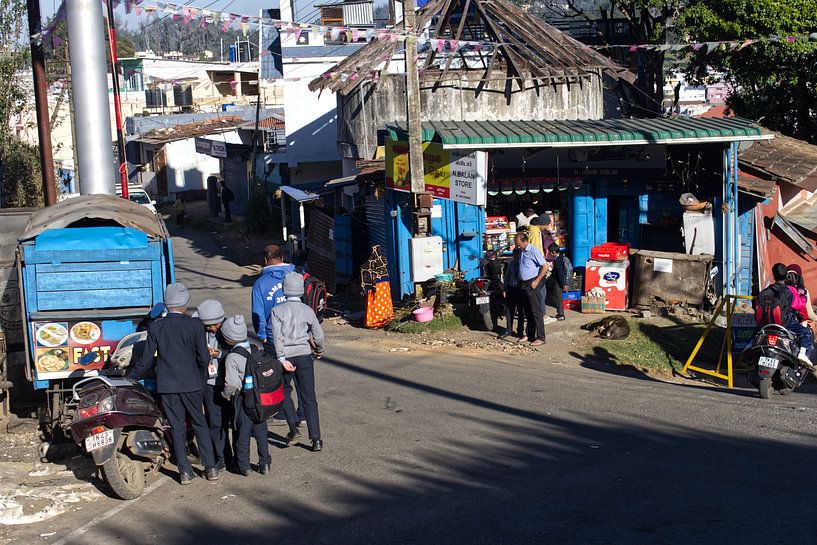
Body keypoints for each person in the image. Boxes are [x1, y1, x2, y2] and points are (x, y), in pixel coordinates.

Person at [127, 283, 219, 485]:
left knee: (177, 427)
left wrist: (131, 377)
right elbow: (203, 357)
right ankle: (210, 467)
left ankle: (184, 472)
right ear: (185, 303)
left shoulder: (156, 327)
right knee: (199, 423)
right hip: (193, 383)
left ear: (167, 304)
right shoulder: (194, 326)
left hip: (167, 385)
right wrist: (201, 374)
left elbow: (147, 360)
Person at [251, 244, 305, 425]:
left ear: (265, 260)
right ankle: (304, 415)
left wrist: (261, 335)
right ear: (282, 257)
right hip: (299, 335)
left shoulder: (261, 283)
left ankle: (283, 414)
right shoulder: (297, 275)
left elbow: (258, 312)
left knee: (281, 379)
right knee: (301, 380)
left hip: (274, 338)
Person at [272, 272, 325, 452]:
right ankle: (316, 439)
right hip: (304, 355)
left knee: (285, 391)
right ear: (301, 290)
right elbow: (318, 334)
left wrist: (280, 358)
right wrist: (319, 350)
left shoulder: (277, 311)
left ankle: (294, 428)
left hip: (285, 356)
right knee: (309, 397)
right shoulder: (307, 310)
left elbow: (277, 337)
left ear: (284, 290)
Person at [221, 315, 272, 476]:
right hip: (260, 399)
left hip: (243, 400)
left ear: (229, 338)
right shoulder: (255, 349)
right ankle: (265, 463)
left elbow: (231, 384)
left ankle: (244, 466)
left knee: (242, 435)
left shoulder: (232, 357)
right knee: (261, 433)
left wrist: (225, 395)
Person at [195, 299, 233, 471]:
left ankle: (235, 457)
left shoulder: (228, 330)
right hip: (209, 383)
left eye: (212, 325)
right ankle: (222, 456)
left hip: (226, 382)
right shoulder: (201, 330)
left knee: (232, 422)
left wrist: (219, 354)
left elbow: (238, 352)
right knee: (216, 422)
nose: (210, 329)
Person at [514, 232, 548, 346]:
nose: (518, 247)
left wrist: (537, 281)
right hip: (523, 284)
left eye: (519, 244)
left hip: (532, 283)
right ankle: (530, 334)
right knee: (527, 311)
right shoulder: (522, 251)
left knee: (536, 311)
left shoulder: (533, 251)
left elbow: (545, 266)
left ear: (524, 241)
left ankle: (541, 337)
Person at [785, 263, 816, 367]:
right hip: (792, 323)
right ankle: (803, 358)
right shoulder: (801, 291)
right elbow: (807, 314)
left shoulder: (779, 288)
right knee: (807, 333)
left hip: (775, 321)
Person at [528, 216, 556, 325]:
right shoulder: (536, 233)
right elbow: (536, 250)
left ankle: (540, 315)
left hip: (534, 266)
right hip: (537, 267)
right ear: (543, 224)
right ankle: (542, 316)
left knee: (539, 292)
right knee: (541, 292)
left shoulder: (533, 231)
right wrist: (543, 265)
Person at [499, 247, 525, 340]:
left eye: (516, 254)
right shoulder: (511, 264)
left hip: (520, 289)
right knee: (509, 310)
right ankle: (509, 328)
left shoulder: (523, 264)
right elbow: (507, 276)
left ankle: (520, 331)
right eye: (513, 255)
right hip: (511, 288)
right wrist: (505, 288)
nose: (515, 256)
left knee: (521, 311)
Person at [547, 243, 571, 322]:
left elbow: (560, 273)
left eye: (550, 252)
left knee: (559, 298)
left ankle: (561, 314)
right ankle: (560, 313)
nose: (550, 253)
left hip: (559, 283)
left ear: (554, 252)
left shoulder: (558, 260)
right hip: (559, 282)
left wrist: (563, 284)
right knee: (558, 298)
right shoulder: (561, 258)